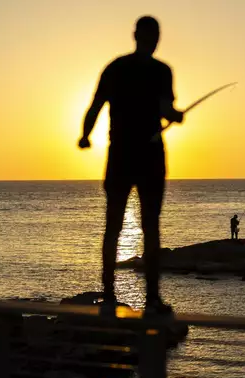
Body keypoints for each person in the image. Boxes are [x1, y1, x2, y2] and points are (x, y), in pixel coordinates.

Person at [79, 15, 184, 314]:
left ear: (135, 35)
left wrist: (85, 136)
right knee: (151, 226)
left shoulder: (116, 68)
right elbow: (166, 110)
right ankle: (152, 300)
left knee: (113, 225)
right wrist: (176, 116)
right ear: (154, 38)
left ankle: (110, 295)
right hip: (149, 154)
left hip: (121, 154)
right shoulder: (162, 71)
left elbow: (95, 106)